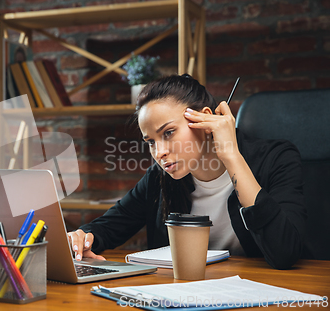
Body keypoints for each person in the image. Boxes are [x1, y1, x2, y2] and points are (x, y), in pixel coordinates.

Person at [68, 74, 306, 270]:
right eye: (150, 141)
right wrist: (83, 237)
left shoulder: (276, 159)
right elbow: (110, 225)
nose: (159, 152)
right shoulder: (159, 178)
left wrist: (231, 156)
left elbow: (284, 253)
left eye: (168, 132)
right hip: (182, 295)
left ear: (204, 119)